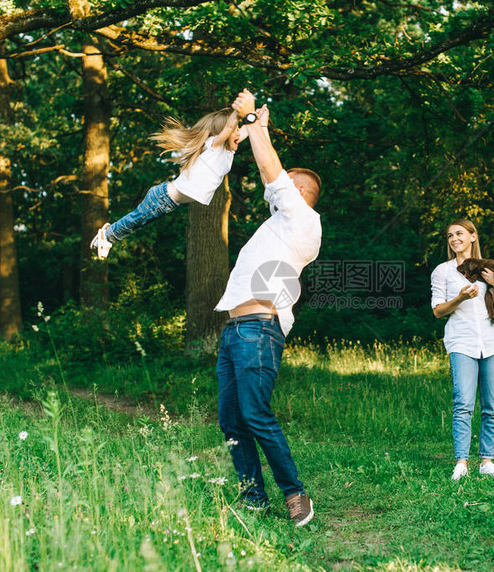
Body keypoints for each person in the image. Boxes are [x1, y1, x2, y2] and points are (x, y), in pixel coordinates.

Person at [215, 89, 322, 526]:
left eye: (282, 183)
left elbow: (268, 167)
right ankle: (253, 497)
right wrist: (260, 127)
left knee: (256, 415)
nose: (269, 190)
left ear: (298, 191)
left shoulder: (302, 218)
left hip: (258, 329)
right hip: (235, 330)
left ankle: (295, 493)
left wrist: (255, 118)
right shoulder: (278, 225)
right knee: (231, 421)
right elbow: (269, 167)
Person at [90, 107, 253, 259]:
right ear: (224, 131)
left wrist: (257, 118)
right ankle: (107, 236)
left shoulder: (227, 152)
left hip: (168, 203)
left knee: (138, 222)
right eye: (235, 129)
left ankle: (109, 234)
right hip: (162, 198)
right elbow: (229, 129)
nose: (238, 133)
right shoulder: (213, 146)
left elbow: (246, 130)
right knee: (136, 220)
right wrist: (238, 112)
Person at [430, 218, 494, 481]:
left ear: (473, 236)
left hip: (493, 343)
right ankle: (461, 463)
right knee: (463, 404)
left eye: (459, 234)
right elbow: (437, 311)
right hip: (462, 342)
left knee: (491, 405)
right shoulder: (443, 272)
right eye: (449, 236)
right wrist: (460, 298)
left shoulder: (490, 268)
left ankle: (487, 462)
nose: (454, 239)